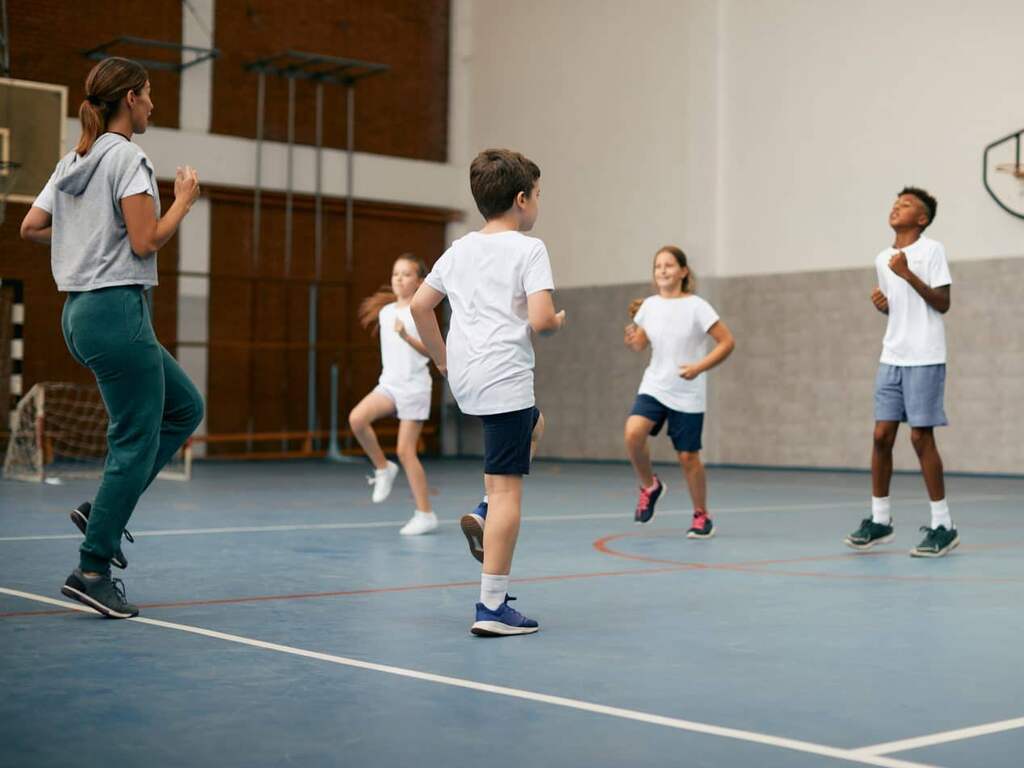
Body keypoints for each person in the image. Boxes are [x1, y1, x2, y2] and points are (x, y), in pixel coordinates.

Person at [20, 57, 203, 618]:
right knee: (134, 438)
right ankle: (92, 567)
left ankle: (103, 509)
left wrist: (82, 235)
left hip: (80, 314)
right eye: (147, 95)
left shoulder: (74, 159)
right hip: (117, 310)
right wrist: (183, 202)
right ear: (128, 99)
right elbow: (146, 241)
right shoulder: (127, 157)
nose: (152, 104)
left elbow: (30, 227)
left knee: (184, 408)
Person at [410, 148, 564, 636]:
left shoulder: (458, 250)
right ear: (521, 199)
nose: (538, 203)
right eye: (538, 195)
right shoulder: (528, 249)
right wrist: (555, 321)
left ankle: (482, 508)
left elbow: (420, 306)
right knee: (507, 490)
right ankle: (492, 607)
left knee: (534, 425)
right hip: (504, 378)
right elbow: (541, 320)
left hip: (468, 379)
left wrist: (441, 358)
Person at [844, 187, 958, 557]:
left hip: (925, 355)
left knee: (920, 438)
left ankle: (944, 525)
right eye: (895, 202)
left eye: (907, 204)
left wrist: (908, 275)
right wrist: (883, 306)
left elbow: (942, 303)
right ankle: (880, 521)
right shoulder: (883, 258)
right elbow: (901, 310)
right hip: (892, 355)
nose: (897, 206)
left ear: (921, 219)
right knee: (881, 436)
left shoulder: (932, 251)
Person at [623, 246, 734, 538]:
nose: (662, 270)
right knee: (633, 433)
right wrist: (633, 338)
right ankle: (650, 486)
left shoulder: (698, 306)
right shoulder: (648, 306)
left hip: (688, 391)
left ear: (683, 271)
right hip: (655, 385)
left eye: (669, 265)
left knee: (688, 457)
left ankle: (701, 515)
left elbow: (726, 342)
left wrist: (699, 367)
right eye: (658, 265)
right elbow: (640, 345)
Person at [350, 254, 439, 535]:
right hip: (389, 384)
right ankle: (382, 468)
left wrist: (407, 337)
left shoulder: (422, 311)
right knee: (357, 419)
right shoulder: (386, 312)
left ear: (420, 281)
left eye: (406, 274)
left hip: (415, 387)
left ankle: (425, 514)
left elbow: (435, 351)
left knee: (405, 451)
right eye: (395, 273)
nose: (399, 279)